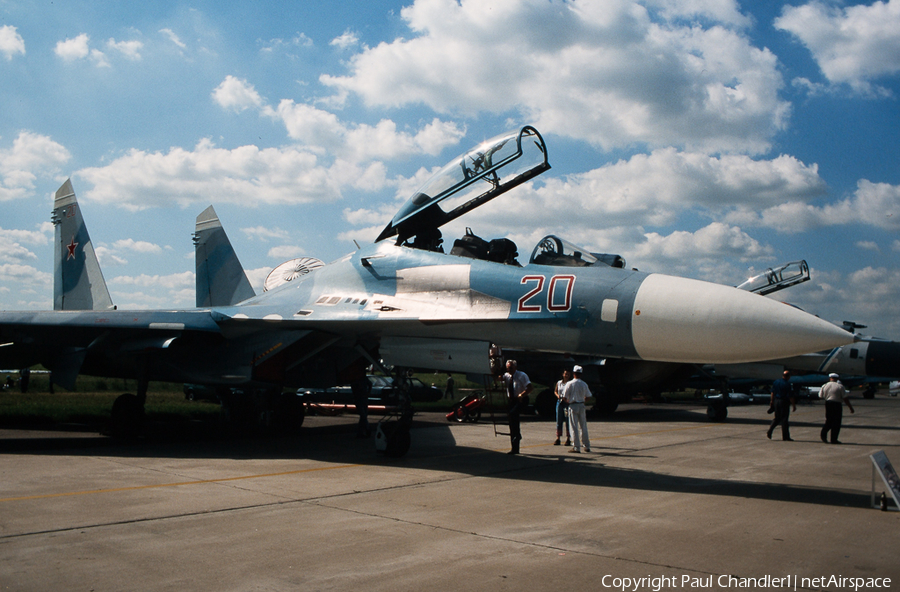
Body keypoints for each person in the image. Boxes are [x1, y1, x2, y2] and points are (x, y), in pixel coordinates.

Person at [503, 359, 532, 455]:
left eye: (510, 368)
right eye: (507, 368)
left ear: (515, 367)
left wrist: (522, 395)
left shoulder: (522, 375)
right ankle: (515, 447)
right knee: (512, 422)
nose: (509, 370)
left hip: (521, 399)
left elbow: (530, 387)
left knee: (513, 414)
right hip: (512, 400)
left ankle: (517, 436)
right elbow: (499, 378)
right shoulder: (507, 376)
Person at [563, 365, 591, 453]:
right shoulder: (584, 384)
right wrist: (583, 401)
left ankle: (576, 447)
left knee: (574, 426)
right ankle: (586, 446)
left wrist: (568, 401)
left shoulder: (570, 383)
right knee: (583, 426)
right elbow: (588, 396)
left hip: (573, 405)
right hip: (581, 405)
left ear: (573, 373)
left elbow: (564, 396)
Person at [819, 373, 854, 444]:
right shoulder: (840, 386)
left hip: (828, 403)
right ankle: (834, 439)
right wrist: (850, 407)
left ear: (830, 378)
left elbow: (820, 396)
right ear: (837, 379)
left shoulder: (825, 385)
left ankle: (823, 435)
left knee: (828, 421)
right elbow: (845, 398)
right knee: (836, 422)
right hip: (837, 404)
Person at [767, 370, 796, 441]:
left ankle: (770, 430)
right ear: (788, 376)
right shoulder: (787, 384)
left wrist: (772, 401)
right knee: (784, 420)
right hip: (784, 402)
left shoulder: (776, 382)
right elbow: (790, 396)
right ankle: (785, 436)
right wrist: (793, 405)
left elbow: (772, 392)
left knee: (777, 418)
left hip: (776, 401)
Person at [554, 369, 572, 446]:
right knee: (559, 420)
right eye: (565, 374)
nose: (566, 375)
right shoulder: (559, 383)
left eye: (568, 374)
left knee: (568, 421)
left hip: (567, 402)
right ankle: (558, 438)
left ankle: (568, 438)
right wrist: (557, 396)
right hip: (560, 401)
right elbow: (555, 391)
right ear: (563, 374)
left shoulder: (570, 384)